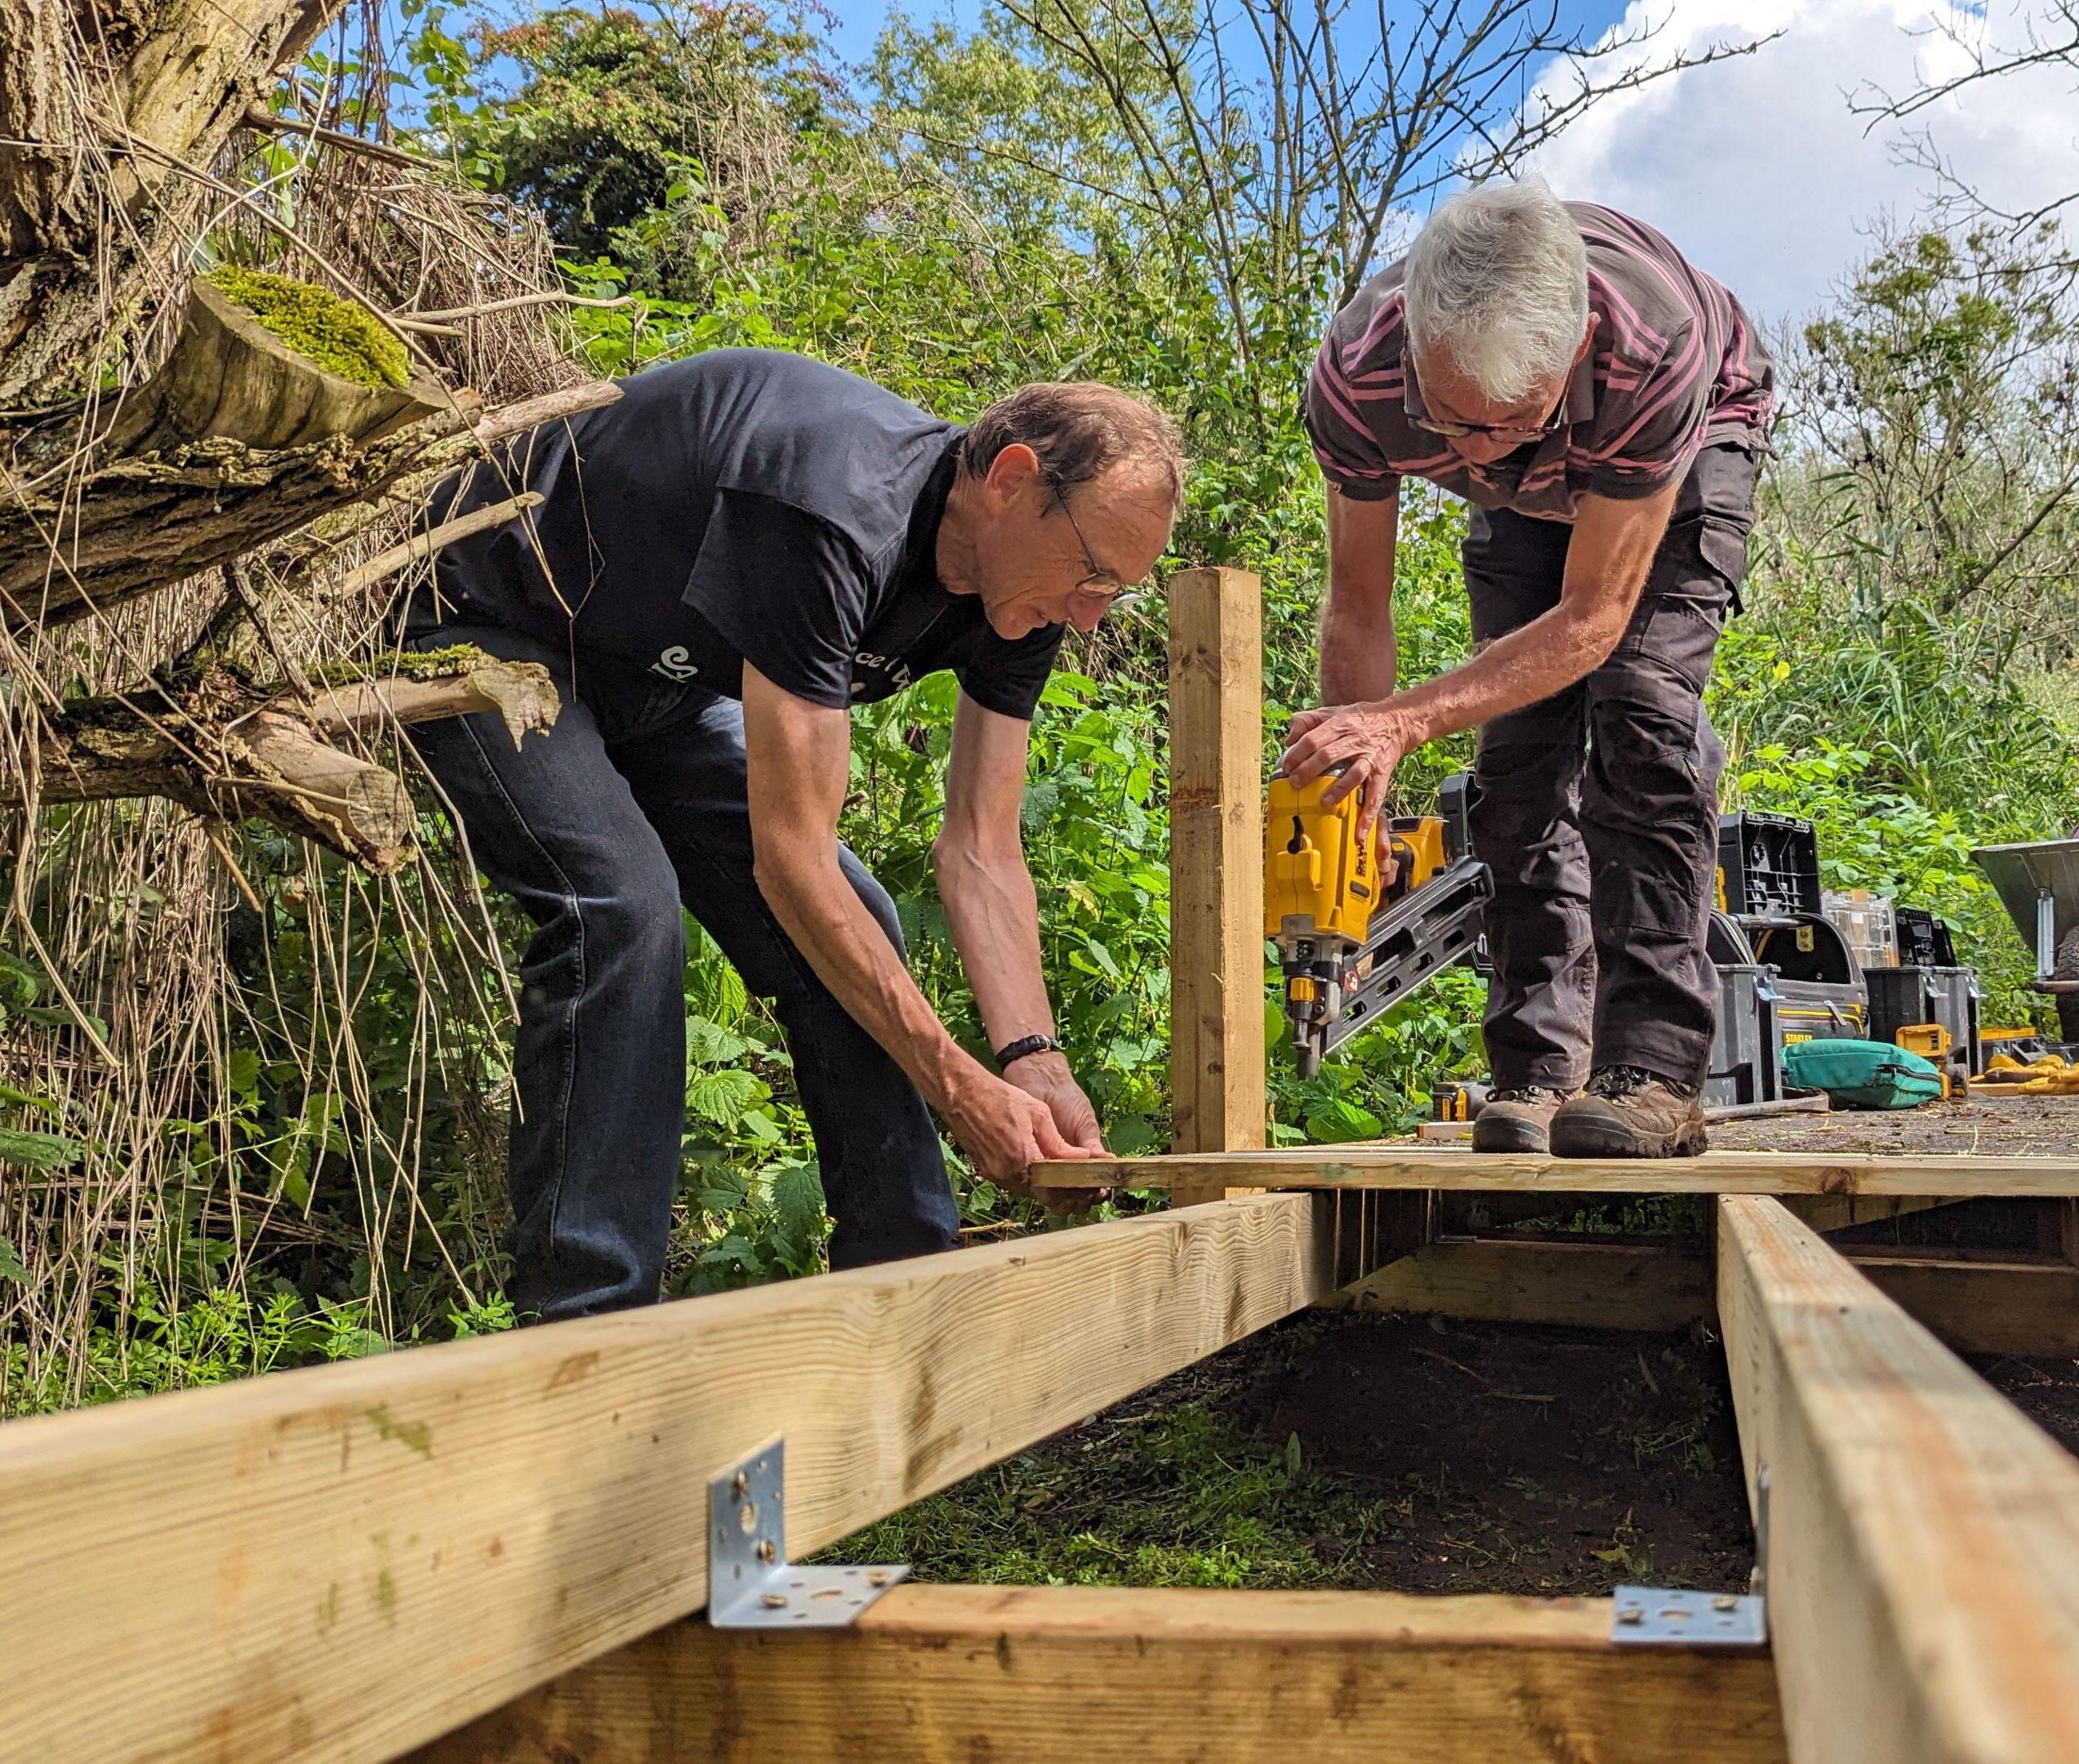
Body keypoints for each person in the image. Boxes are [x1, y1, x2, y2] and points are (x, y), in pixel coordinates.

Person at [400, 349, 1183, 1319]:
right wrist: (957, 1086)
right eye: (1094, 572)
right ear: (1013, 481)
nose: (1093, 613)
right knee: (623, 910)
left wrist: (1033, 1061)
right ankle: (586, 1326)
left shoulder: (1026, 602)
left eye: (1120, 590)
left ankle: (902, 1291)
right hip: (484, 617)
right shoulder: (833, 507)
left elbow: (982, 849)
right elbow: (790, 861)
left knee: (860, 913)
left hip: (659, 679)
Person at [1285, 181, 1774, 1158]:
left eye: (1507, 425)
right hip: (1556, 461)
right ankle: (1537, 1069)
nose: (1477, 456)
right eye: (1454, 427)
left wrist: (1406, 722)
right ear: (1418, 349)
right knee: (1515, 762)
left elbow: (1594, 619)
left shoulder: (1652, 348)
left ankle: (1651, 1072)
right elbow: (1359, 605)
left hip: (1684, 445)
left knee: (1642, 714)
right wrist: (1356, 796)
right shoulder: (1358, 378)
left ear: (1572, 350)